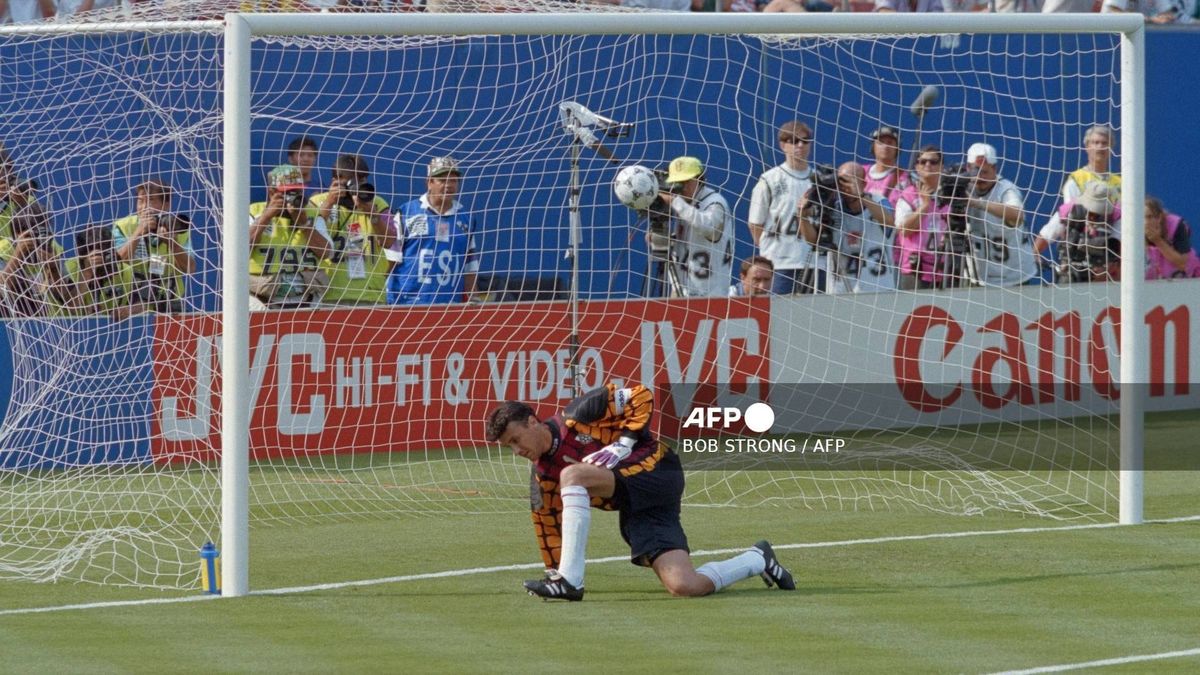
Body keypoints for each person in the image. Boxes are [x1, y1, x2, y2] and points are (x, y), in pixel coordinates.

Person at [484, 383, 795, 601]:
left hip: (658, 470)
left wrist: (625, 442)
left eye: (515, 439)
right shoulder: (542, 476)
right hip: (639, 503)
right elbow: (547, 524)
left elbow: (640, 394)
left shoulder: (578, 414)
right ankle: (759, 558)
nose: (516, 450)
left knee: (573, 474)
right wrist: (552, 571)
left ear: (532, 421)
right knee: (683, 585)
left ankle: (571, 583)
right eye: (508, 446)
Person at [386, 156, 479, 304]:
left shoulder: (467, 219)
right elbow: (389, 260)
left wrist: (473, 297)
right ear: (429, 182)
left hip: (450, 307)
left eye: (453, 181)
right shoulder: (406, 213)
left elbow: (470, 266)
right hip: (407, 305)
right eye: (442, 180)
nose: (448, 185)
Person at [308, 153, 393, 305]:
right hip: (329, 293)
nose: (359, 184)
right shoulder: (317, 202)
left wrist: (371, 213)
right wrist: (329, 203)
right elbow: (306, 235)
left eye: (362, 179)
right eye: (353, 179)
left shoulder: (377, 203)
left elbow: (389, 241)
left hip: (370, 294)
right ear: (336, 180)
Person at [249, 164, 333, 310]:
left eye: (297, 192)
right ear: (272, 192)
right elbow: (239, 250)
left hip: (306, 300)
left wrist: (304, 223)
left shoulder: (312, 213)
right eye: (288, 192)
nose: (293, 197)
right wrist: (266, 217)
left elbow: (326, 252)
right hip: (262, 299)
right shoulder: (254, 211)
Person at [747, 121, 814, 295]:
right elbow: (755, 224)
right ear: (783, 145)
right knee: (780, 316)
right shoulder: (769, 180)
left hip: (812, 263)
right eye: (794, 140)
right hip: (779, 263)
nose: (800, 145)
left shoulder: (818, 180)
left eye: (805, 141)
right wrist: (772, 247)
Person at [112, 178, 194, 313]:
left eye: (150, 201)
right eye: (140, 201)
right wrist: (139, 232)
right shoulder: (123, 226)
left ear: (166, 205)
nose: (144, 207)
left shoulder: (176, 227)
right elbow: (117, 262)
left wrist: (173, 244)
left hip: (169, 305)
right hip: (129, 306)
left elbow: (190, 269)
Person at [962, 143, 1038, 287]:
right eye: (976, 172)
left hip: (1014, 275)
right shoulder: (963, 188)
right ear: (968, 169)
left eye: (985, 172)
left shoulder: (1006, 189)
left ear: (994, 169)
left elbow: (1017, 214)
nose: (980, 177)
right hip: (978, 275)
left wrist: (977, 203)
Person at [660, 156, 735, 297]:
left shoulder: (715, 202)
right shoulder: (685, 203)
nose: (683, 187)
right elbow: (690, 240)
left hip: (711, 292)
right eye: (678, 182)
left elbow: (709, 229)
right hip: (683, 287)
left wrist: (675, 202)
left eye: (687, 181)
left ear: (700, 179)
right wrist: (663, 238)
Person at [0, 179, 68, 317]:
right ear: (16, 233)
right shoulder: (3, 249)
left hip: (47, 320)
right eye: (31, 234)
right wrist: (18, 255)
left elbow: (70, 302)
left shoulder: (52, 248)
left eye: (43, 232)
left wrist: (54, 270)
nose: (37, 239)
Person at [827, 162, 896, 293]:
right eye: (842, 181)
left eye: (852, 181)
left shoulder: (879, 201)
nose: (846, 186)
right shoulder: (832, 207)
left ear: (864, 184)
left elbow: (889, 221)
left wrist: (861, 195)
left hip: (879, 288)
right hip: (842, 290)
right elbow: (813, 240)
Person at [1036, 180, 1122, 284]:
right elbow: (1046, 235)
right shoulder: (1071, 209)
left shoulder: (1118, 215)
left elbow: (1120, 249)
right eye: (1090, 211)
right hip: (1071, 272)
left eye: (1097, 212)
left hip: (1109, 277)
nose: (1092, 216)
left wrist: (1106, 270)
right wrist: (1035, 255)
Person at [893, 146, 949, 290]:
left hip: (946, 269)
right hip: (915, 270)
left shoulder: (951, 195)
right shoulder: (907, 196)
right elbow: (904, 230)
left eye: (933, 162)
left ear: (942, 166)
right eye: (923, 162)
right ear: (917, 167)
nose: (928, 165)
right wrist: (925, 206)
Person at [62, 224, 139, 318]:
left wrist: (129, 310)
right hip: (74, 327)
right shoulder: (69, 268)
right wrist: (87, 272)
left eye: (103, 253)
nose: (98, 259)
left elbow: (143, 303)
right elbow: (72, 306)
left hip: (116, 327)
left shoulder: (126, 270)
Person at [1060, 125, 1121, 208]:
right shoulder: (1076, 179)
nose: (1100, 147)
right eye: (1096, 142)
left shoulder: (1119, 182)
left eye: (1104, 143)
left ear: (1111, 148)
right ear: (1087, 147)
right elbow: (1070, 213)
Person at [1144, 196, 1200, 279]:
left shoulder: (1177, 225)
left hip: (1188, 277)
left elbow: (1182, 264)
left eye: (1149, 217)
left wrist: (1157, 240)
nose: (1145, 222)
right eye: (1141, 217)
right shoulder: (1133, 229)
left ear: (1159, 217)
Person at [862, 125, 907, 224]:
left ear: (897, 148)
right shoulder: (861, 172)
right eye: (881, 142)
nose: (886, 146)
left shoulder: (904, 178)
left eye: (890, 143)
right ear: (873, 146)